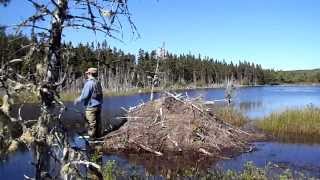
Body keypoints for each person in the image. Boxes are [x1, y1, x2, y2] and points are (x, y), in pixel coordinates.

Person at [74, 67, 103, 139]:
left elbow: (85, 95)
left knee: (91, 124)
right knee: (98, 122)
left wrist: (77, 99)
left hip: (91, 107)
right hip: (98, 106)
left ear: (90, 73)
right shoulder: (97, 82)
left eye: (87, 73)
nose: (87, 75)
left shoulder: (89, 83)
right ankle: (98, 137)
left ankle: (92, 139)